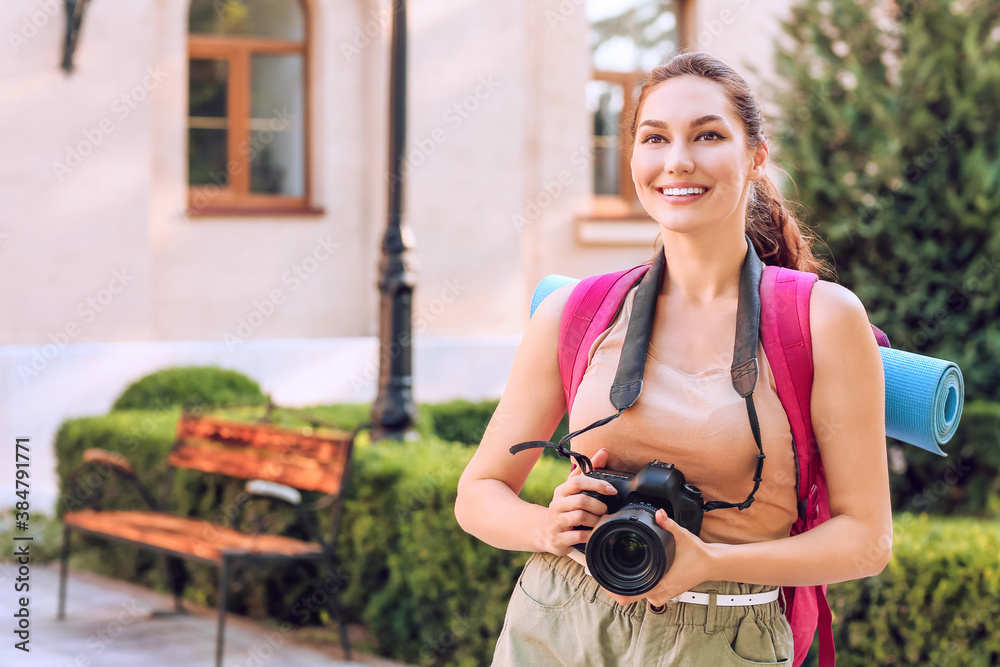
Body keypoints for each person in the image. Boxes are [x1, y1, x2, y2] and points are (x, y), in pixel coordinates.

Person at [454, 51, 892, 665]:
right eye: (654, 137)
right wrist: (546, 528)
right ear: (633, 156)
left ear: (756, 156)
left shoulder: (823, 319)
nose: (677, 160)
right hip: (555, 621)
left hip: (721, 636)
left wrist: (714, 561)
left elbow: (866, 541)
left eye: (708, 135)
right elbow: (478, 493)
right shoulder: (577, 312)